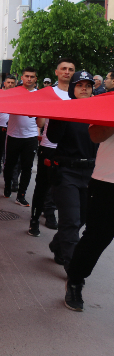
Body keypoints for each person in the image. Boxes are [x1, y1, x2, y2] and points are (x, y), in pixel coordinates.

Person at [63, 105, 114, 311]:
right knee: (97, 237)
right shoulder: (110, 103)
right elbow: (94, 135)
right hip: (108, 181)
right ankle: (75, 279)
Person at [45, 71, 98, 268]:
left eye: (88, 85)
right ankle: (72, 270)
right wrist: (61, 115)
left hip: (91, 173)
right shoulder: (65, 109)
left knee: (83, 218)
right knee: (71, 220)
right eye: (79, 85)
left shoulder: (98, 110)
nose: (84, 88)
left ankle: (58, 245)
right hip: (67, 172)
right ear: (72, 88)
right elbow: (53, 138)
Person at [28, 57, 76, 237]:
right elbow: (39, 121)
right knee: (42, 186)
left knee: (64, 188)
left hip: (70, 150)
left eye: (70, 69)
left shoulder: (78, 94)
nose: (67, 72)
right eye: (63, 68)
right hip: (49, 146)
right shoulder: (49, 93)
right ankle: (34, 220)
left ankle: (54, 217)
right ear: (57, 72)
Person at [3, 67, 39, 207]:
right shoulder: (13, 93)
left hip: (31, 136)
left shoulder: (39, 95)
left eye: (32, 76)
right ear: (22, 78)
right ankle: (7, 185)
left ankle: (21, 195)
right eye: (27, 76)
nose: (29, 79)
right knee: (9, 165)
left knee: (27, 167)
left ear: (35, 79)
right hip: (13, 134)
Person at [0, 75, 16, 174]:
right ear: (5, 83)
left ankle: (7, 168)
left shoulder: (18, 96)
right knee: (1, 147)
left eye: (12, 83)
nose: (10, 84)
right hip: (0, 125)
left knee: (10, 150)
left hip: (13, 127)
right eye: (8, 82)